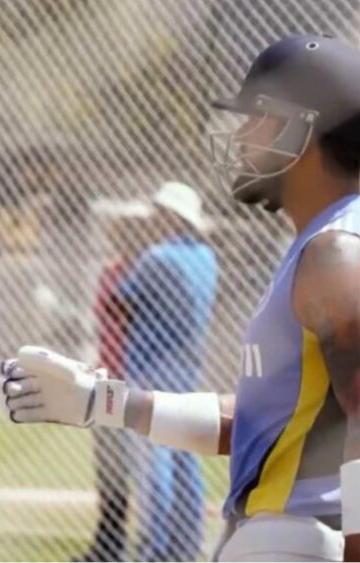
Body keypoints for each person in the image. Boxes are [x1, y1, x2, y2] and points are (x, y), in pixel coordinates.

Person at [0, 35, 360, 562]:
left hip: (300, 540)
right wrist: (103, 403)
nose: (238, 136)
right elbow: (261, 423)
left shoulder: (342, 251)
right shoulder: (320, 244)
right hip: (279, 536)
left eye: (254, 118)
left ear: (303, 129)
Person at [119, 182, 218, 561]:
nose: (153, 220)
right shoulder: (207, 257)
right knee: (184, 458)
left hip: (149, 369)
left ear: (172, 217)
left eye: (159, 213)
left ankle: (154, 550)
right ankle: (189, 548)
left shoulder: (156, 257)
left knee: (152, 462)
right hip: (186, 370)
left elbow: (123, 303)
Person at [73, 201, 153, 562]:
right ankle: (108, 544)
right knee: (109, 471)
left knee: (148, 471)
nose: (120, 233)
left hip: (139, 384)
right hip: (108, 382)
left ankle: (154, 545)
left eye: (129, 227)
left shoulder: (153, 273)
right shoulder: (109, 271)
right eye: (119, 227)